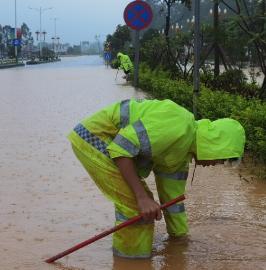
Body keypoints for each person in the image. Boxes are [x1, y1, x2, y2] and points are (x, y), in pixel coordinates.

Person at [68, 98, 245, 259]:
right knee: (137, 209)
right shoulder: (179, 124)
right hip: (95, 137)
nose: (216, 164)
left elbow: (173, 202)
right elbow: (121, 149)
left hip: (111, 145)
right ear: (216, 145)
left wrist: (180, 238)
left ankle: (134, 264)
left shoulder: (182, 156)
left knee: (144, 207)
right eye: (222, 159)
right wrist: (142, 198)